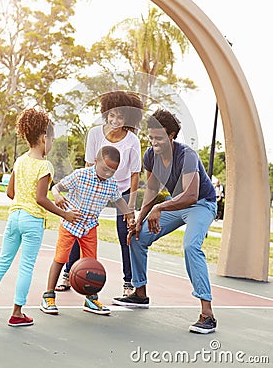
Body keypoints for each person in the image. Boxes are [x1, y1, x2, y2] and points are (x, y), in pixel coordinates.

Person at [113, 109, 218, 334]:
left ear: (171, 136)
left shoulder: (187, 155)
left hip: (202, 204)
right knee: (137, 237)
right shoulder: (150, 155)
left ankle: (207, 314)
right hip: (176, 203)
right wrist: (138, 220)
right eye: (151, 138)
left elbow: (191, 195)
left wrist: (160, 207)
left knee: (191, 246)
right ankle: (140, 294)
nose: (154, 142)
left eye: (159, 138)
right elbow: (151, 189)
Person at [0, 108, 80, 327]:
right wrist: (65, 215)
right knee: (26, 266)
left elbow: (10, 192)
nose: (51, 144)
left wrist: (24, 196)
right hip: (32, 221)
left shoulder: (20, 160)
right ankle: (17, 313)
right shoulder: (45, 165)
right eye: (51, 139)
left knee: (3, 261)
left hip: (14, 217)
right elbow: (41, 198)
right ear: (43, 138)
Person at [55, 91, 143, 297]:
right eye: (111, 115)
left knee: (125, 235)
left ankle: (128, 282)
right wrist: (84, 195)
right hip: (95, 186)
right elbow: (88, 166)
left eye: (120, 117)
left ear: (127, 119)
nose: (115, 120)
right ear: (105, 114)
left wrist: (130, 209)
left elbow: (135, 175)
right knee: (78, 227)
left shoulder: (132, 141)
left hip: (121, 189)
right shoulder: (95, 133)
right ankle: (68, 274)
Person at [40, 145, 135, 316]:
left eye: (112, 171)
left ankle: (91, 299)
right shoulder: (80, 175)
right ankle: (48, 295)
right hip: (71, 222)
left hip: (90, 226)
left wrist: (128, 213)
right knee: (60, 258)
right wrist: (57, 196)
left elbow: (118, 200)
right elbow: (56, 187)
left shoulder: (112, 184)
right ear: (96, 161)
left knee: (91, 264)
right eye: (105, 168)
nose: (108, 173)